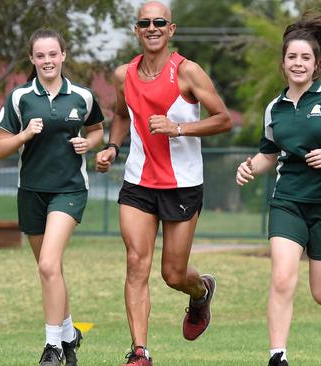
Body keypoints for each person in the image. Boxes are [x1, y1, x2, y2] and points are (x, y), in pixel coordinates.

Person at [95, 2, 232, 365]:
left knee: (172, 274)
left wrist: (180, 128)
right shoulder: (123, 74)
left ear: (170, 30)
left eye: (159, 22)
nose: (152, 27)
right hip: (138, 182)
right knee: (135, 263)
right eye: (145, 23)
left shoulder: (188, 72)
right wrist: (112, 146)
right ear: (136, 30)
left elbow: (223, 119)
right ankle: (140, 351)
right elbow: (122, 116)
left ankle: (201, 291)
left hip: (183, 184)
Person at [235, 12, 321, 366]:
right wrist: (250, 166)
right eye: (292, 57)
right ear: (283, 63)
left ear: (316, 64)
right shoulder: (274, 109)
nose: (298, 63)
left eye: (306, 57)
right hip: (288, 202)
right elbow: (269, 153)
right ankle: (277, 356)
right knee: (282, 278)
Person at [0, 29, 104, 366]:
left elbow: (98, 130)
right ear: (32, 59)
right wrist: (25, 133)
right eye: (40, 56)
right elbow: (0, 148)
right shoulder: (20, 98)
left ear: (63, 56)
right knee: (49, 270)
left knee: (47, 264)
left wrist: (90, 144)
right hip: (31, 192)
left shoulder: (81, 96)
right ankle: (69, 334)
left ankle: (52, 346)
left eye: (53, 54)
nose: (47, 61)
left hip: (69, 189)